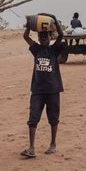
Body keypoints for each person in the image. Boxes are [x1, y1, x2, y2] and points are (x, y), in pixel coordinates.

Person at [20, 20, 64, 157]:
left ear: (51, 37)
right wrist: (28, 25)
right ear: (39, 38)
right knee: (33, 118)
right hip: (37, 90)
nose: (44, 39)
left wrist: (55, 20)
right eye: (41, 37)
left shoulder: (54, 50)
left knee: (53, 118)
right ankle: (31, 148)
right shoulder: (36, 49)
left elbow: (61, 35)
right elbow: (26, 37)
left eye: (46, 37)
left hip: (53, 90)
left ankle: (53, 144)